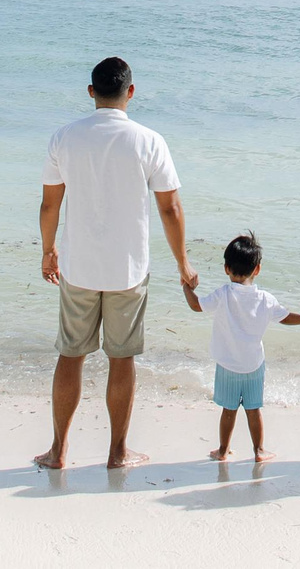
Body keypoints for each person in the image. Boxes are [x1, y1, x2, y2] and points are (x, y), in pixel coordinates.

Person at [35, 56, 197, 470]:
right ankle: (118, 452)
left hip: (79, 267)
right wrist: (184, 263)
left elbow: (50, 203)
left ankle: (58, 452)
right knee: (121, 358)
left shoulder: (64, 138)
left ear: (91, 92)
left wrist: (48, 250)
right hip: (128, 270)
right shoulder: (149, 140)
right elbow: (170, 209)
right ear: (131, 91)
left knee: (71, 355)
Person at [182, 232, 300, 462]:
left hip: (227, 366)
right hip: (254, 365)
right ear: (257, 269)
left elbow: (197, 306)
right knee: (253, 410)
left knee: (229, 410)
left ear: (226, 268)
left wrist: (187, 287)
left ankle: (223, 451)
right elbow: (285, 318)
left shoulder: (223, 294)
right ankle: (259, 451)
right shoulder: (265, 299)